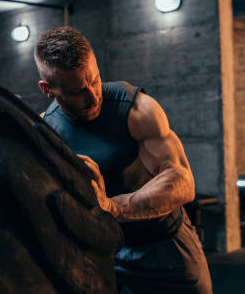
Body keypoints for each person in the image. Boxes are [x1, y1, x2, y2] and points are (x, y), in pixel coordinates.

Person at [33, 27, 212, 294]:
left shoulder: (137, 109)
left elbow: (182, 181)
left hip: (163, 246)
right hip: (102, 252)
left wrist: (114, 208)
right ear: (48, 89)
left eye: (94, 80)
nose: (93, 96)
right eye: (78, 90)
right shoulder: (47, 129)